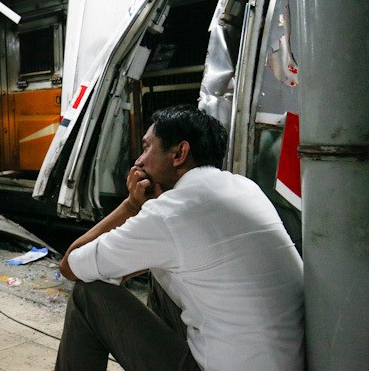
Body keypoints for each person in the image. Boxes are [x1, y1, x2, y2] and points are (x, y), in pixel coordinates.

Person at [56, 105, 304, 371]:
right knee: (159, 271)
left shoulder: (169, 213)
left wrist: (130, 206)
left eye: (147, 147)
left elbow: (70, 266)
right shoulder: (244, 187)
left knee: (87, 295)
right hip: (284, 361)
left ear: (179, 154)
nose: (138, 161)